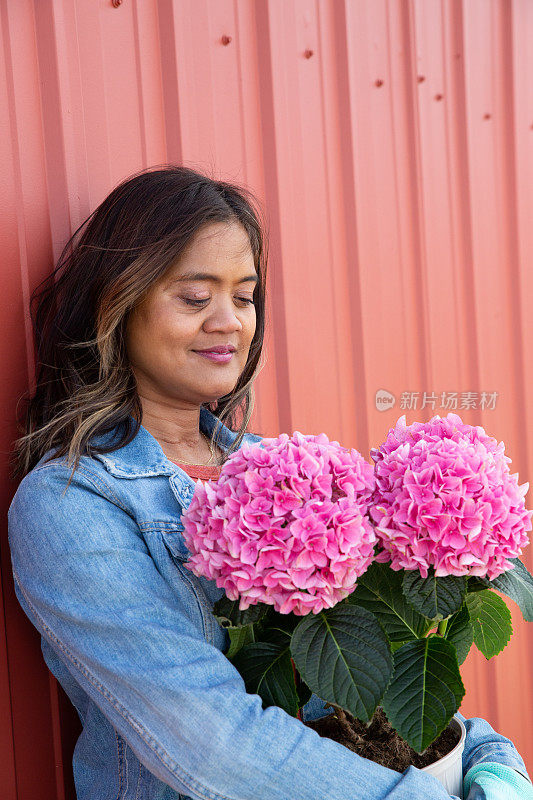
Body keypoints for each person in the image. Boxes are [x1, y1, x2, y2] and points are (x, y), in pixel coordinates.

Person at [7, 165, 532, 800]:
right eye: (196, 298)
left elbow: (369, 693)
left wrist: (489, 762)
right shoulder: (71, 503)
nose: (229, 322)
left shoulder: (283, 475)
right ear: (116, 303)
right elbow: (215, 747)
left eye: (245, 296)